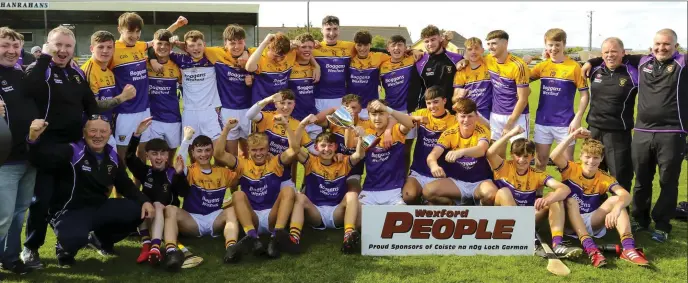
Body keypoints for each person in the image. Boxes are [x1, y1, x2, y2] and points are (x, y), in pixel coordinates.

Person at [583, 28, 686, 243]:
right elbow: (613, 54)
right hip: (641, 131)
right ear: (652, 46)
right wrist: (591, 61)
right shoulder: (643, 62)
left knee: (668, 180)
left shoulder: (682, 63)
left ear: (675, 46)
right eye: (658, 44)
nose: (661, 48)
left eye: (666, 44)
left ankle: (662, 223)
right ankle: (640, 218)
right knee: (641, 179)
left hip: (672, 131)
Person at [26, 116, 155, 268]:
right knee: (75, 238)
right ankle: (64, 248)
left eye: (103, 131)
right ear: (84, 132)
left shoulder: (112, 156)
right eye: (93, 131)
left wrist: (145, 201)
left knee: (137, 210)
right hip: (70, 211)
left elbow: (126, 185)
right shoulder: (71, 151)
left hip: (98, 207)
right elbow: (40, 159)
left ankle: (100, 241)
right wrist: (33, 139)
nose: (98, 135)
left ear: (110, 133)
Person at [22, 26, 101, 269]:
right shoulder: (40, 69)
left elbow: (90, 103)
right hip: (46, 148)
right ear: (48, 45)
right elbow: (29, 88)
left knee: (67, 200)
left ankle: (65, 244)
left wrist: (97, 123)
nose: (63, 50)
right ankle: (31, 248)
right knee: (41, 201)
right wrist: (44, 58)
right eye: (58, 45)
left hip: (74, 150)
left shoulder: (76, 73)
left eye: (68, 46)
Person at [550, 128, 650, 268]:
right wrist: (572, 136)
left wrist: (616, 209)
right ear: (581, 157)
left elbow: (626, 195)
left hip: (590, 220)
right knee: (570, 201)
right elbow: (554, 156)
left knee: (617, 200)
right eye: (587, 157)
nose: (591, 161)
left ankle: (628, 248)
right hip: (567, 220)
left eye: (596, 158)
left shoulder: (604, 177)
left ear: (602, 159)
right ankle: (590, 247)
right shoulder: (571, 168)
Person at [487, 126, 580, 258]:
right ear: (512, 155)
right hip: (503, 216)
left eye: (526, 156)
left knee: (554, 197)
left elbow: (565, 189)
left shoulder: (537, 174)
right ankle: (526, 238)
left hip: (527, 216)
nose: (521, 160)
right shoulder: (504, 166)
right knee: (504, 191)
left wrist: (548, 200)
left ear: (531, 157)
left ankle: (557, 244)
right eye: (518, 155)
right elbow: (490, 153)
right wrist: (510, 134)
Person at [214, 118, 299, 260]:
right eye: (254, 150)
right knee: (238, 195)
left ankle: (276, 237)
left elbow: (295, 149)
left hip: (273, 215)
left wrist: (286, 126)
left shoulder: (275, 161)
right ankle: (253, 238)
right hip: (252, 217)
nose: (258, 153)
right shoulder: (241, 164)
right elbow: (218, 154)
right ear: (248, 150)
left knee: (288, 191)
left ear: (268, 149)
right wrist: (227, 129)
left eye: (262, 149)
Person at [109, 12, 185, 165]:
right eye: (130, 31)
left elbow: (158, 41)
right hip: (124, 112)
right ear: (120, 29)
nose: (134, 35)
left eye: (137, 32)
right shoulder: (112, 49)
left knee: (142, 156)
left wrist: (176, 26)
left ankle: (140, 188)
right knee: (121, 160)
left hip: (145, 112)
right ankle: (121, 188)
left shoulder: (139, 46)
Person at [283, 116, 366, 254]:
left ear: (336, 147)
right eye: (323, 145)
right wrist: (302, 125)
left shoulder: (343, 162)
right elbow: (295, 148)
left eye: (330, 145)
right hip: (315, 213)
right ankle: (294, 239)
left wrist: (361, 138)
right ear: (316, 147)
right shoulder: (311, 161)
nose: (326, 149)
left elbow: (359, 155)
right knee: (300, 197)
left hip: (337, 212)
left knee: (352, 195)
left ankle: (348, 237)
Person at [162, 126, 241, 264]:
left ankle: (231, 247)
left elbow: (243, 174)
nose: (203, 154)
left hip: (214, 218)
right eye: (199, 151)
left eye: (207, 150)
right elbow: (178, 162)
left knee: (232, 211)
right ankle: (171, 252)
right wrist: (186, 139)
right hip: (192, 220)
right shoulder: (191, 171)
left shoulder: (223, 172)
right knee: (169, 209)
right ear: (192, 153)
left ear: (212, 152)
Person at [0, 27, 39, 275]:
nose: (11, 51)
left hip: (28, 157)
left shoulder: (21, 73)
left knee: (17, 215)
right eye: (5, 46)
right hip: (4, 160)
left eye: (15, 47)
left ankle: (10, 258)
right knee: (2, 217)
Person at [458, 30, 530, 159]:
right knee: (496, 155)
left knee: (519, 155)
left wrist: (510, 124)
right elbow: (472, 56)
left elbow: (523, 99)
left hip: (517, 116)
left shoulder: (518, 65)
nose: (490, 47)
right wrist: (463, 61)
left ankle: (518, 179)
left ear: (505, 43)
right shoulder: (489, 59)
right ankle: (500, 179)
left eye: (494, 43)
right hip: (496, 115)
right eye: (489, 43)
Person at [126, 117, 183, 268]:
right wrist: (136, 135)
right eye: (154, 154)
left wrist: (179, 175)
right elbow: (129, 158)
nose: (158, 157)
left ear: (167, 156)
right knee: (143, 203)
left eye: (162, 154)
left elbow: (184, 193)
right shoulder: (145, 172)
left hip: (168, 221)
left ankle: (155, 246)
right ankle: (147, 245)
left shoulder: (172, 172)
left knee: (157, 205)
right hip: (149, 219)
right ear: (147, 156)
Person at [529, 28, 589, 171]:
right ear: (545, 45)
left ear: (564, 44)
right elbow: (521, 80)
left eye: (557, 44)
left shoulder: (574, 67)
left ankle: (569, 193)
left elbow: (585, 95)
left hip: (565, 123)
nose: (553, 48)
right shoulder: (542, 66)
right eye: (550, 45)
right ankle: (538, 194)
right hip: (542, 122)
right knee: (540, 162)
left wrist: (577, 118)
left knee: (568, 164)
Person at [584, 37, 637, 195]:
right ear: (601, 54)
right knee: (592, 171)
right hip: (593, 131)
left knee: (619, 174)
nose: (610, 55)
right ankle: (594, 209)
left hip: (618, 133)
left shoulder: (633, 73)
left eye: (614, 51)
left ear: (623, 53)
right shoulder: (594, 70)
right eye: (606, 52)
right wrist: (591, 62)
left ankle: (620, 211)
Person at [425, 98, 497, 206]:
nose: (466, 120)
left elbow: (481, 150)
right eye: (463, 116)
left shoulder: (482, 130)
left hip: (480, 182)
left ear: (476, 117)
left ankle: (479, 207)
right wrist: (434, 166)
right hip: (457, 182)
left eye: (470, 116)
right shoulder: (450, 132)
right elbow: (432, 155)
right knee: (428, 191)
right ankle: (453, 205)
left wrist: (461, 152)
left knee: (491, 194)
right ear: (457, 117)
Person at [246, 90, 315, 194]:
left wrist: (334, 153)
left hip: (284, 175)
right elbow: (250, 115)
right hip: (262, 172)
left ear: (294, 104)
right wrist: (267, 99)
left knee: (295, 200)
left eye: (289, 103)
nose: (285, 107)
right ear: (275, 104)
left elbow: (313, 150)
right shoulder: (267, 117)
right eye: (282, 103)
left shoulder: (297, 125)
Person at [203, 24, 253, 158]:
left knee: (249, 153)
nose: (236, 46)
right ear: (225, 43)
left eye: (240, 42)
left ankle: (247, 179)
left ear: (245, 42)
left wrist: (247, 52)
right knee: (231, 155)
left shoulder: (253, 54)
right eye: (232, 43)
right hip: (227, 110)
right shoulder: (217, 54)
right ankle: (234, 179)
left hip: (249, 111)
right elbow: (191, 47)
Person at [81, 30, 138, 148]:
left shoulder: (109, 72)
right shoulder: (89, 71)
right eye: (100, 47)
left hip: (105, 128)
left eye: (109, 47)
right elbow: (93, 106)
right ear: (92, 48)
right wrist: (123, 97)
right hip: (91, 131)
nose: (105, 51)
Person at [402, 86, 457, 204]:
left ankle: (446, 202)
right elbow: (400, 119)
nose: (432, 106)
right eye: (428, 103)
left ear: (444, 101)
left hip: (441, 174)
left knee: (434, 205)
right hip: (419, 172)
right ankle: (422, 197)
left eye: (436, 102)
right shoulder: (422, 113)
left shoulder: (454, 121)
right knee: (407, 196)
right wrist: (415, 118)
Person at [358, 99, 415, 206]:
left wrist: (387, 109)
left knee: (400, 218)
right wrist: (360, 138)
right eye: (374, 114)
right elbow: (356, 153)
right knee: (358, 218)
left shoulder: (396, 130)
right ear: (369, 116)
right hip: (370, 190)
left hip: (394, 190)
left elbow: (410, 123)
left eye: (381, 114)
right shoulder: (367, 133)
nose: (377, 118)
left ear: (387, 115)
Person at [379, 35, 422, 172]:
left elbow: (425, 52)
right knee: (388, 147)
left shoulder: (412, 60)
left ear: (405, 47)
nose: (397, 48)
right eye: (393, 45)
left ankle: (404, 177)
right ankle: (390, 177)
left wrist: (415, 51)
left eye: (400, 45)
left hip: (408, 111)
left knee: (406, 148)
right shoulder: (382, 65)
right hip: (389, 112)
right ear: (388, 49)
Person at [246, 33, 318, 112]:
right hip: (262, 109)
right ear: (268, 48)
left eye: (282, 56)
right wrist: (264, 43)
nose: (279, 59)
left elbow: (305, 51)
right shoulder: (261, 58)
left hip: (281, 109)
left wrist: (316, 66)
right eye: (275, 56)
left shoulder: (290, 54)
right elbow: (249, 67)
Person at [314, 94, 370, 193]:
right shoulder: (336, 122)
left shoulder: (367, 125)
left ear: (360, 109)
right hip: (334, 167)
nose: (350, 110)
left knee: (353, 191)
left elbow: (351, 145)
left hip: (354, 170)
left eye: (353, 108)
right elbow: (316, 120)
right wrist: (335, 108)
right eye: (346, 107)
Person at [146, 29, 182, 162]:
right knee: (153, 158)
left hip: (173, 118)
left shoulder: (177, 66)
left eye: (167, 44)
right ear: (153, 45)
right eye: (159, 43)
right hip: (152, 119)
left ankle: (168, 181)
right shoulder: (145, 64)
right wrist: (152, 58)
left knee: (169, 159)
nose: (163, 47)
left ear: (171, 46)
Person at [414, 25, 464, 113]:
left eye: (433, 39)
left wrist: (466, 60)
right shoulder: (419, 61)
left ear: (440, 38)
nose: (430, 44)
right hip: (429, 111)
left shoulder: (457, 59)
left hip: (451, 111)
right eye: (426, 41)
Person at [348, 30, 390, 120]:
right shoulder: (349, 57)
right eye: (359, 45)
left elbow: (397, 55)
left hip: (371, 107)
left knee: (369, 134)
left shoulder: (379, 57)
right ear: (354, 45)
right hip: (352, 108)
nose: (362, 49)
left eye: (366, 45)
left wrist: (412, 51)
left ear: (370, 45)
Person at [289, 33, 321, 140]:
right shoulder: (289, 66)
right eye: (303, 47)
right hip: (294, 120)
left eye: (310, 47)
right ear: (296, 49)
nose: (307, 50)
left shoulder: (315, 68)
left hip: (312, 119)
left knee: (316, 154)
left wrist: (316, 65)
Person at [453, 37, 492, 122]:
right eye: (470, 49)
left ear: (482, 50)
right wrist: (458, 96)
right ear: (466, 51)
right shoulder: (461, 71)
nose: (473, 52)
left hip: (489, 113)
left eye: (476, 48)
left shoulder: (489, 63)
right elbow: (454, 98)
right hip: (469, 114)